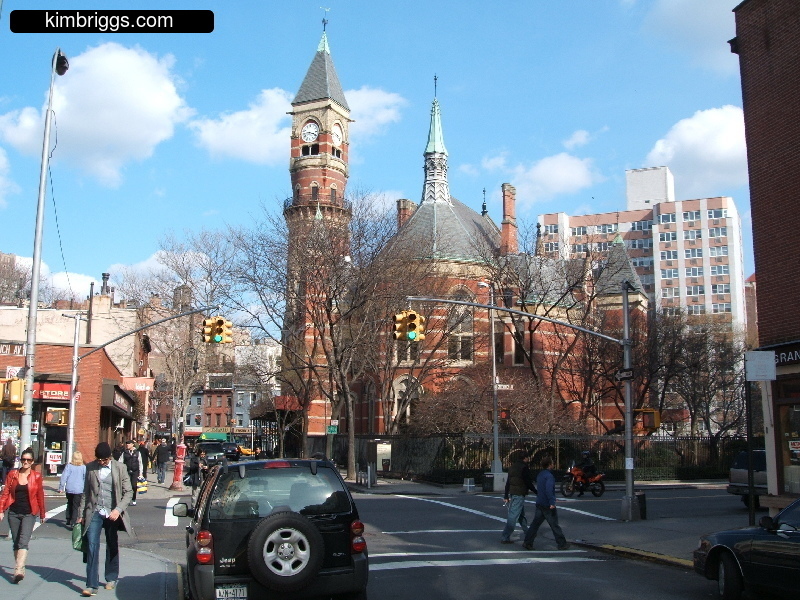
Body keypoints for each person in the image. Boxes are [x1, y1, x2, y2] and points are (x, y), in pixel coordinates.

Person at [77, 442, 133, 596]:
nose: (102, 462)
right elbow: (85, 493)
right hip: (94, 511)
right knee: (92, 545)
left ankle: (111, 577)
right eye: (99, 460)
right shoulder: (90, 467)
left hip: (112, 512)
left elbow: (128, 492)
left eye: (105, 460)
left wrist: (118, 509)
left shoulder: (120, 468)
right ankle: (91, 585)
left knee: (111, 543)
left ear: (110, 457)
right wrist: (81, 515)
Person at [0, 447, 47, 583]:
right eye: (23, 459)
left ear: (32, 461)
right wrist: (1, 510)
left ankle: (18, 570)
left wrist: (42, 513)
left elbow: (40, 495)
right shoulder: (12, 474)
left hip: (29, 513)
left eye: (28, 460)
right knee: (16, 542)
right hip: (14, 513)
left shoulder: (36, 476)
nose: (25, 462)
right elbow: (5, 493)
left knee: (23, 541)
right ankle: (20, 567)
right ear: (20, 460)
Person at [522, 456, 570, 551]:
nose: (553, 464)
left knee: (535, 524)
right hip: (547, 504)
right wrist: (552, 502)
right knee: (554, 525)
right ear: (549, 465)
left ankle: (528, 541)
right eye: (552, 463)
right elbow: (549, 490)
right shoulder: (549, 476)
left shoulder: (540, 475)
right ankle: (562, 543)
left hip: (540, 502)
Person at [500, 450, 537, 544]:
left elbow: (508, 482)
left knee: (521, 515)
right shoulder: (524, 467)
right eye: (527, 457)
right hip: (520, 492)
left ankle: (528, 533)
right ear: (525, 458)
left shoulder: (512, 467)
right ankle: (505, 536)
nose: (528, 459)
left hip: (513, 492)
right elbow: (528, 482)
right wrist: (536, 492)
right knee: (514, 516)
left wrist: (506, 495)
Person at [59, 450, 86, 529]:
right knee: (76, 506)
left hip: (69, 488)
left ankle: (68, 518)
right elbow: (85, 479)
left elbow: (64, 477)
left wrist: (61, 487)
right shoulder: (83, 467)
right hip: (79, 489)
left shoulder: (69, 466)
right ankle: (73, 522)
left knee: (70, 503)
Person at [119, 440, 142, 506]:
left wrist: (141, 473)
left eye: (129, 444)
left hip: (135, 471)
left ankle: (134, 498)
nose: (127, 445)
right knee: (127, 486)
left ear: (132, 445)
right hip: (127, 471)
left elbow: (140, 463)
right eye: (127, 444)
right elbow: (120, 462)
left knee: (134, 486)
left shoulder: (137, 453)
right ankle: (127, 499)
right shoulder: (124, 453)